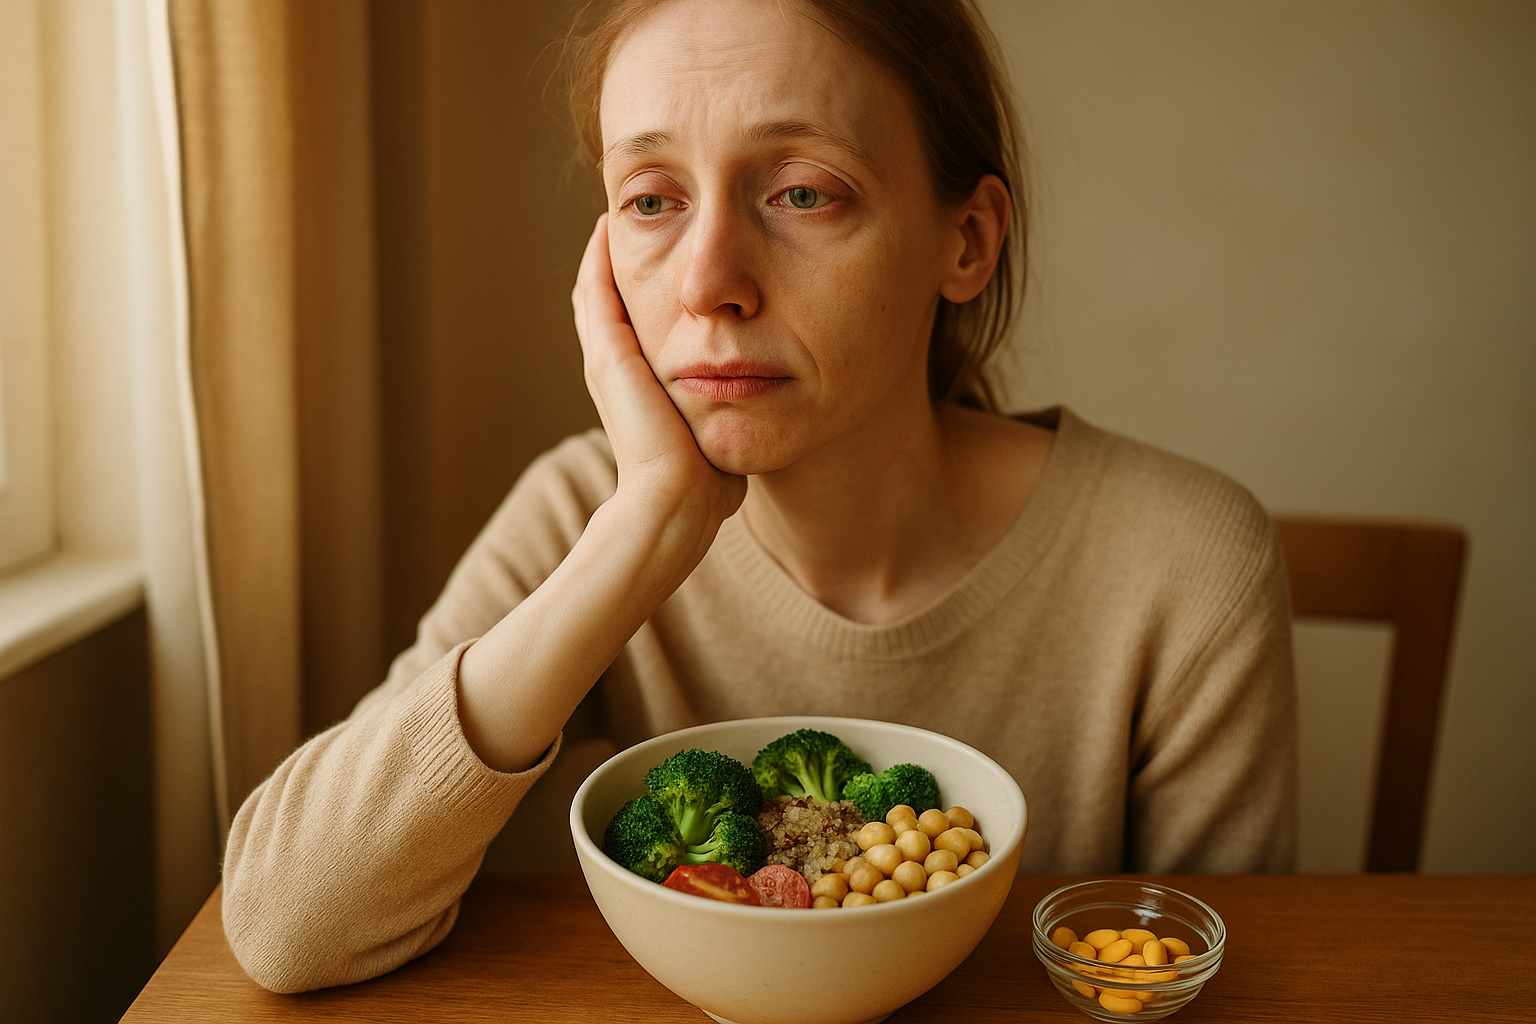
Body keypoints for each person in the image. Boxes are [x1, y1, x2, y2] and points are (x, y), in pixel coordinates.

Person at [221, 0, 1297, 994]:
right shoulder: (578, 514)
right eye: (651, 201)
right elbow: (284, 926)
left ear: (963, 241)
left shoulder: (1185, 562)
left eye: (801, 192)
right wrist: (644, 534)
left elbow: (1198, 976)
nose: (707, 280)